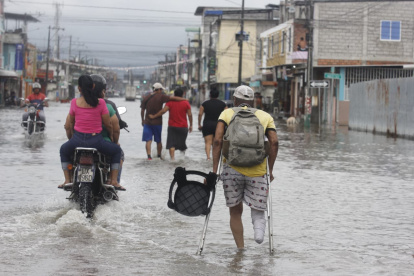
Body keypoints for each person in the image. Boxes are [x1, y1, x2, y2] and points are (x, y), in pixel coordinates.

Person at [212, 85, 279, 249]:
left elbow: (217, 141)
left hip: (231, 170)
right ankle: (258, 233)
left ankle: (240, 250)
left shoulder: (227, 113)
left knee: (235, 212)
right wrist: (269, 170)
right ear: (253, 100)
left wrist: (214, 171)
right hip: (258, 170)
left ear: (235, 100)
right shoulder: (265, 116)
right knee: (258, 209)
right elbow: (275, 142)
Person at [59, 75, 123, 190]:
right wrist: (112, 138)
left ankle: (67, 180)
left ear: (79, 88)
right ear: (93, 86)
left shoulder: (74, 102)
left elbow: (69, 124)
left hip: (77, 141)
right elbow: (108, 124)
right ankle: (114, 181)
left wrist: (71, 139)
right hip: (96, 141)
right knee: (117, 150)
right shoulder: (101, 103)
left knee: (63, 149)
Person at [140, 82, 187, 160]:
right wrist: (184, 99)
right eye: (161, 90)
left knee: (148, 140)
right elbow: (174, 98)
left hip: (147, 122)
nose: (161, 91)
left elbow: (142, 110)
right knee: (158, 140)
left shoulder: (146, 97)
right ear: (158, 90)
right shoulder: (161, 97)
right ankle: (159, 156)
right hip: (157, 123)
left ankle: (149, 156)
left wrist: (142, 120)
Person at [149, 87, 192, 161]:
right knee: (182, 144)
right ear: (182, 94)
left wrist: (154, 116)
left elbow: (163, 111)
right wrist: (191, 125)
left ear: (174, 94)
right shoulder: (186, 103)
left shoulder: (170, 102)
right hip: (183, 127)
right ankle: (182, 159)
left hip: (172, 126)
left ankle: (172, 159)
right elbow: (190, 115)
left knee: (171, 144)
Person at [198, 88, 226, 160]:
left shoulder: (204, 104)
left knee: (208, 142)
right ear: (218, 95)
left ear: (210, 95)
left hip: (207, 124)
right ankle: (215, 158)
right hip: (219, 125)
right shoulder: (223, 104)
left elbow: (200, 114)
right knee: (216, 143)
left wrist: (199, 124)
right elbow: (226, 115)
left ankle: (208, 158)